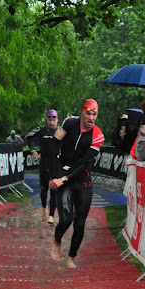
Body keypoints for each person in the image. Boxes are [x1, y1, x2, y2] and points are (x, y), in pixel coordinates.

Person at [48, 99, 104, 268]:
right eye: (88, 113)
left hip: (82, 179)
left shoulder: (98, 136)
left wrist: (63, 179)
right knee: (66, 219)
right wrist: (55, 173)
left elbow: (84, 163)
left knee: (80, 223)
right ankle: (57, 241)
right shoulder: (69, 122)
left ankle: (71, 256)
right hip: (63, 173)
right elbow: (54, 143)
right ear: (82, 112)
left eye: (94, 114)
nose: (91, 117)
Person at [25, 109, 59, 223]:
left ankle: (51, 215)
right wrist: (33, 151)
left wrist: (62, 154)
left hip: (55, 165)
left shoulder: (60, 131)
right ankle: (44, 209)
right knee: (44, 189)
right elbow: (27, 137)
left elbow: (68, 143)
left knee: (54, 189)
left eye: (54, 119)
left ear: (57, 120)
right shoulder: (41, 130)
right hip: (44, 163)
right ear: (47, 119)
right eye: (50, 119)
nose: (52, 122)